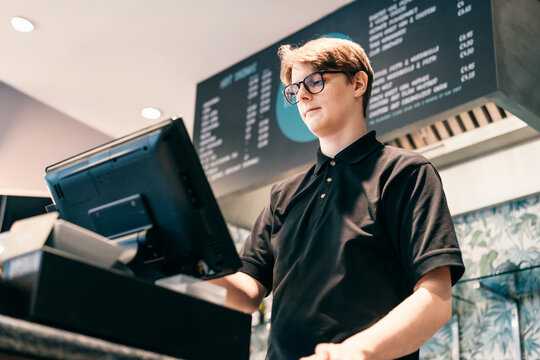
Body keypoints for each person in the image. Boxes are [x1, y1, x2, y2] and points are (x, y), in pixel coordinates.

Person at [210, 37, 464, 360]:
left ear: (358, 83)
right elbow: (246, 295)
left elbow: (436, 299)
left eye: (314, 81)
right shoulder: (282, 197)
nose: (301, 96)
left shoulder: (405, 174)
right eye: (294, 89)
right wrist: (191, 264)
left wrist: (354, 353)